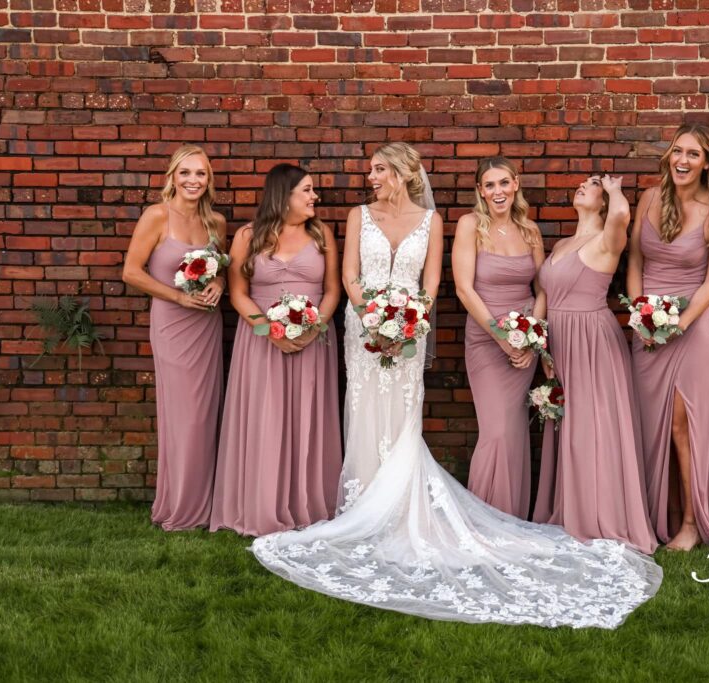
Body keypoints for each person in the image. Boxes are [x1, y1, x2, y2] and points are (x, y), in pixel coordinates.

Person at [251, 144, 662, 629]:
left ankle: (496, 520)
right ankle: (365, 509)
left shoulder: (517, 231)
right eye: (489, 184)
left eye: (379, 169)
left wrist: (526, 333)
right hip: (377, 329)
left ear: (403, 174)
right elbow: (355, 277)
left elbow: (515, 290)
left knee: (423, 424)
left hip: (442, 330)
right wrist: (378, 321)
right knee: (365, 414)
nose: (371, 177)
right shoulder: (375, 217)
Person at [210, 164, 342, 536]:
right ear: (284, 196)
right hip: (262, 342)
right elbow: (238, 293)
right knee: (265, 420)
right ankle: (261, 505)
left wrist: (313, 328)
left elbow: (333, 290)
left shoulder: (322, 235)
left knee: (308, 420)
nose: (314, 197)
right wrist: (271, 331)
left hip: (314, 341)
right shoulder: (248, 236)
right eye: (307, 190)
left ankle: (307, 505)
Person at [532, 175, 658, 555]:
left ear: (603, 201)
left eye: (591, 185)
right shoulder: (562, 244)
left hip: (592, 342)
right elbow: (544, 294)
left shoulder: (608, 237)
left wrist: (614, 186)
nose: (582, 187)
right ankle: (571, 508)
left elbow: (622, 212)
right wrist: (541, 347)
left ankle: (601, 513)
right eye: (582, 184)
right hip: (562, 342)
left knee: (595, 426)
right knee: (572, 425)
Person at [627, 123, 709, 551]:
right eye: (677, 151)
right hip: (647, 327)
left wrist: (677, 324)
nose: (683, 160)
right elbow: (635, 259)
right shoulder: (651, 199)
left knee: (681, 424)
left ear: (706, 162)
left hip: (691, 328)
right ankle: (655, 517)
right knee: (649, 423)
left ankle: (692, 523)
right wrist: (641, 314)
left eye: (693, 154)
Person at [122, 144, 226, 530]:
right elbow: (132, 272)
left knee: (204, 415)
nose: (193, 181)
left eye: (200, 174)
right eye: (185, 173)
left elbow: (223, 266)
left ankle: (204, 502)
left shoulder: (216, 222)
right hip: (171, 323)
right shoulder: (157, 216)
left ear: (208, 180)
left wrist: (218, 281)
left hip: (206, 327)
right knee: (183, 417)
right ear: (173, 177)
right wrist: (179, 296)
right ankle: (179, 507)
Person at [452, 157, 546, 519]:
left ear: (516, 184)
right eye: (489, 185)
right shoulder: (470, 225)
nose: (498, 192)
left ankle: (512, 517)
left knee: (513, 430)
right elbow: (464, 289)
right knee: (495, 431)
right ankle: (484, 519)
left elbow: (542, 290)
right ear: (480, 191)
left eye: (504, 183)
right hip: (486, 340)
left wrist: (530, 338)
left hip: (525, 344)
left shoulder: (530, 231)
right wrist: (502, 338)